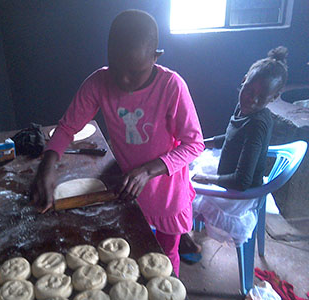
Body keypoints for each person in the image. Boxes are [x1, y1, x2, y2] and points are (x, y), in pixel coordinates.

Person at [31, 9, 204, 276]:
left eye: (135, 73)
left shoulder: (172, 87)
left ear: (155, 57)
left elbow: (194, 144)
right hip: (126, 191)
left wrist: (148, 170)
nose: (123, 80)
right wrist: (48, 164)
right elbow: (66, 128)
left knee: (165, 261)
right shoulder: (99, 82)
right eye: (116, 67)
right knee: (128, 256)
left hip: (166, 195)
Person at [187, 46, 288, 247]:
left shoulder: (257, 123)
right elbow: (232, 137)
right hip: (229, 173)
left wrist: (207, 179)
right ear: (243, 81)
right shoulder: (244, 107)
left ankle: (182, 238)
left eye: (261, 97)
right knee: (188, 164)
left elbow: (242, 181)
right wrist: (206, 143)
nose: (252, 99)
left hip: (239, 194)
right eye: (249, 90)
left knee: (182, 188)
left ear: (273, 98)